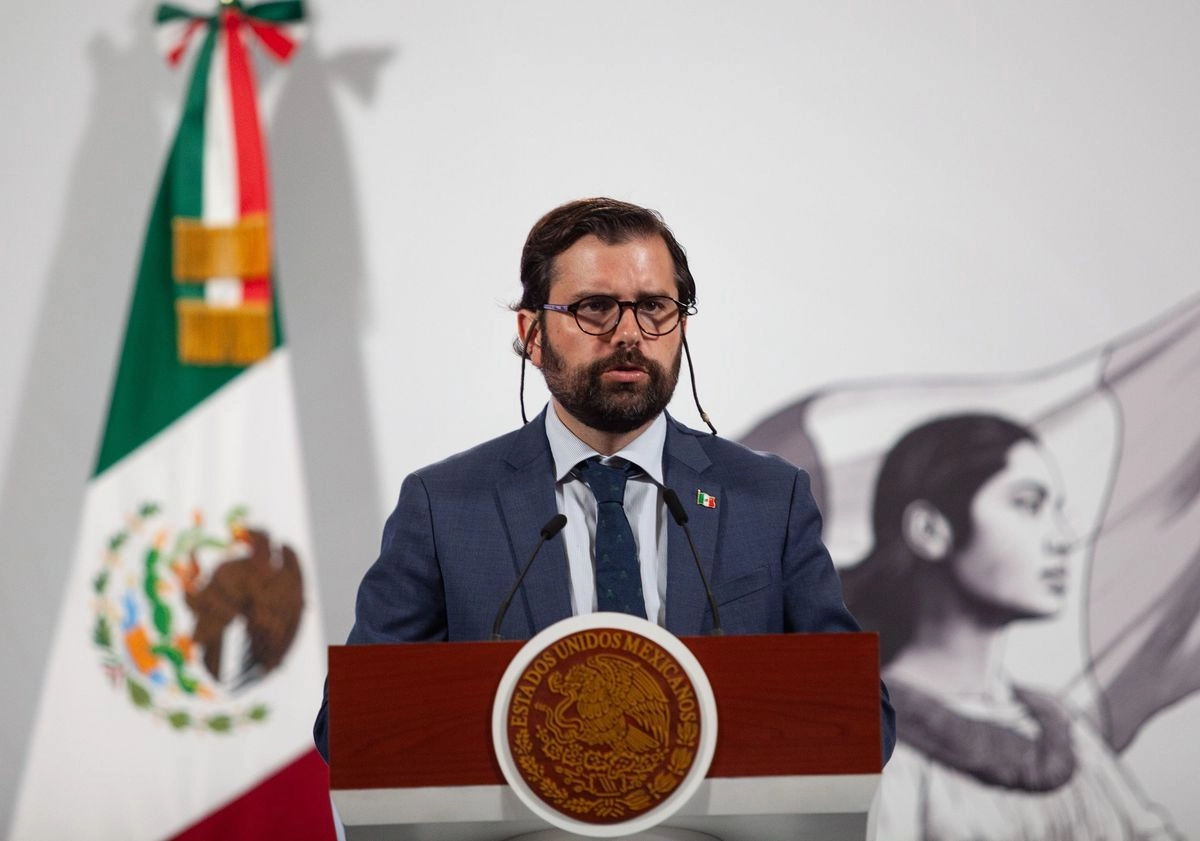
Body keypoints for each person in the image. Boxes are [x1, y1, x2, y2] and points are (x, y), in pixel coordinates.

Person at [313, 197, 895, 763]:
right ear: (532, 333)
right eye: (595, 307)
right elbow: (350, 727)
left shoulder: (768, 500)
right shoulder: (445, 507)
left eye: (654, 308)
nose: (629, 333)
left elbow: (865, 720)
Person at [841, 414, 1179, 840]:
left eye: (1057, 510)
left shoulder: (1062, 731)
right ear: (930, 530)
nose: (1061, 538)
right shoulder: (870, 740)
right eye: (1028, 504)